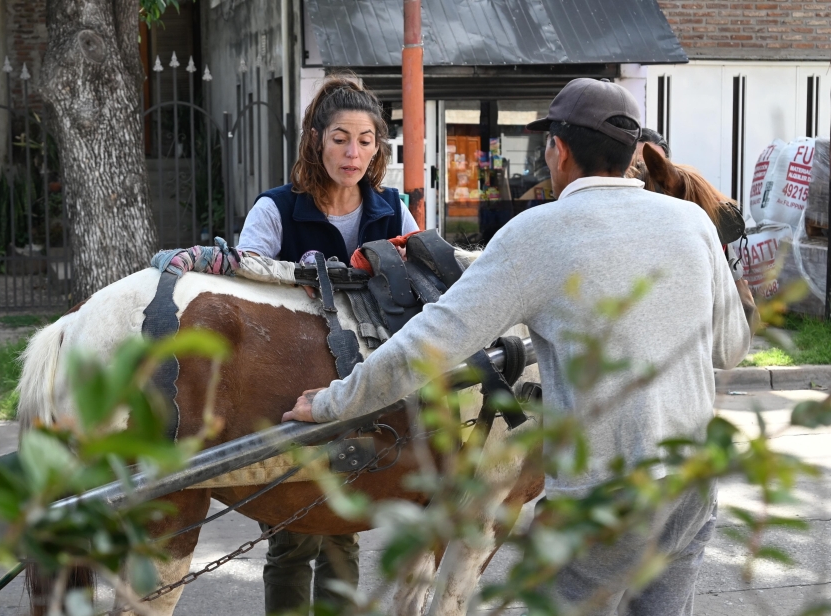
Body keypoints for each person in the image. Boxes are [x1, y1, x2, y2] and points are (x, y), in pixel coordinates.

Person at [282, 78, 751, 615]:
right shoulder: (692, 222)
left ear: (558, 150)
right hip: (692, 487)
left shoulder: (538, 234)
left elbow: (427, 346)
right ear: (630, 154)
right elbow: (731, 348)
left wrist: (332, 402)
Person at [236, 75, 419, 615]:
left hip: (364, 385)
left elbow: (417, 285)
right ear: (316, 139)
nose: (353, 152)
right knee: (292, 533)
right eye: (340, 137)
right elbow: (247, 290)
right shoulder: (276, 209)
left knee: (344, 526)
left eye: (366, 140)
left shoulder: (392, 210)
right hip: (288, 385)